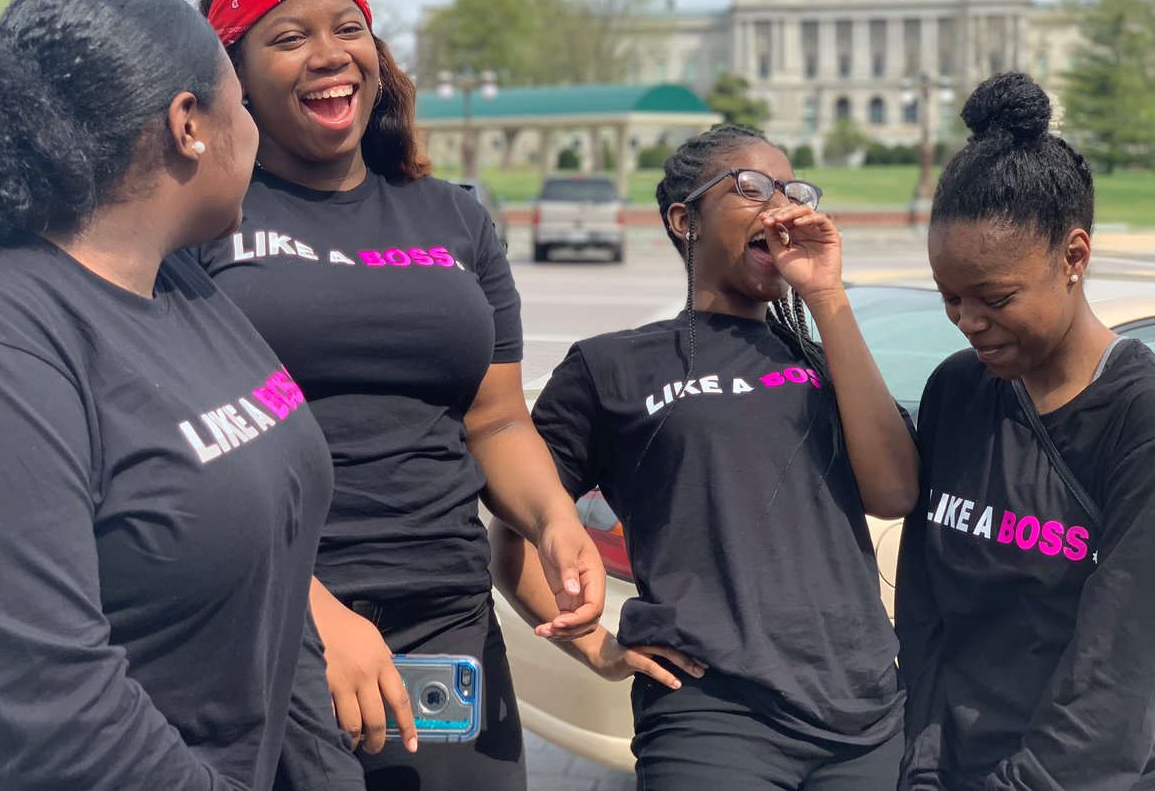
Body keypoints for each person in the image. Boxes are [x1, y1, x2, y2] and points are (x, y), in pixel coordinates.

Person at [196, 0, 605, 790]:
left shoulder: (453, 218)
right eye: (287, 37)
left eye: (347, 27)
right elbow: (182, 450)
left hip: (448, 622)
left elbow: (494, 419)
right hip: (268, 618)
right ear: (230, 73)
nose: (328, 55)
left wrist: (555, 523)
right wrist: (315, 612)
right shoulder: (201, 220)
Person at [0, 0, 336, 790]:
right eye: (240, 104)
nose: (256, 135)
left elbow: (278, 581)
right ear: (188, 124)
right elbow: (58, 718)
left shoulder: (181, 283)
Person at [491, 123, 920, 790]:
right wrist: (599, 649)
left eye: (792, 190)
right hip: (714, 718)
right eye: (751, 187)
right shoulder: (613, 366)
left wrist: (827, 295)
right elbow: (511, 536)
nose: (781, 206)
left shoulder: (818, 353)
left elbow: (893, 492)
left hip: (863, 714)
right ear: (684, 218)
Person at [896, 72, 1155, 789]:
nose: (969, 321)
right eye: (951, 298)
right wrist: (919, 767)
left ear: (1074, 257)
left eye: (996, 297)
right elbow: (923, 612)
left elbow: (1120, 672)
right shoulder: (956, 389)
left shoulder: (1138, 417)